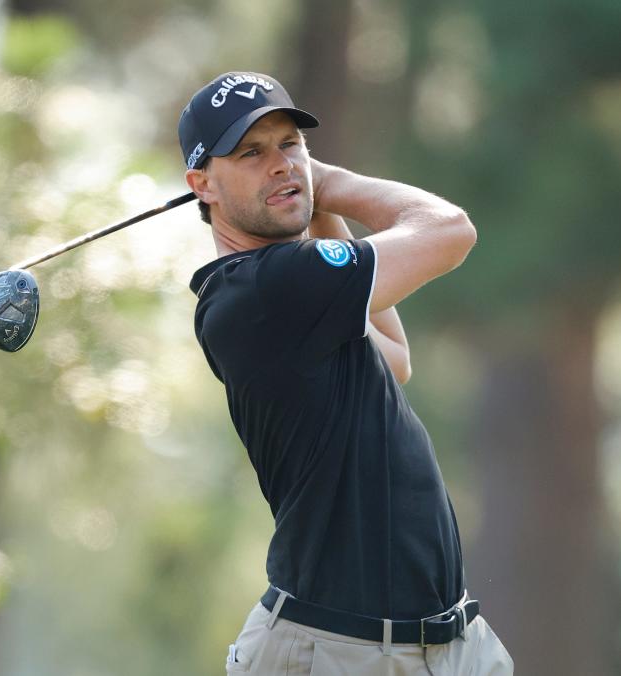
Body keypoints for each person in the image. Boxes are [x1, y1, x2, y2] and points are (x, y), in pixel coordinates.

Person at [179, 71, 514, 675]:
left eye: (291, 144)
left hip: (447, 645)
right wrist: (329, 184)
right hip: (335, 650)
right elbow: (449, 230)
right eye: (251, 153)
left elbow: (393, 354)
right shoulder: (264, 290)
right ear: (201, 184)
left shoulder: (292, 289)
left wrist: (308, 199)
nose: (280, 164)